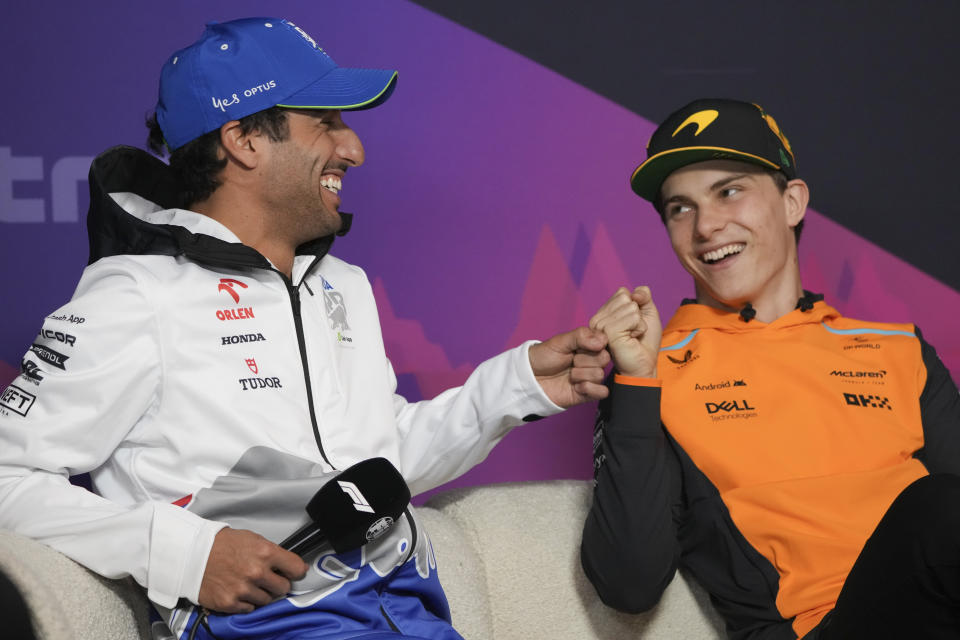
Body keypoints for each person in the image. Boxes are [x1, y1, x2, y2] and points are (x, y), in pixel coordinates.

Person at [0, 18, 610, 640]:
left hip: (407, 616)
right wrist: (182, 553)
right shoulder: (137, 292)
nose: (354, 149)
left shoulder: (342, 285)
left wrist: (516, 386)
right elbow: (7, 477)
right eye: (326, 121)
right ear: (243, 139)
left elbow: (374, 466)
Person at [580, 98, 960, 639]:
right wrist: (637, 384)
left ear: (792, 202)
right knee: (939, 509)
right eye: (679, 208)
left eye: (729, 191)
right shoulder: (652, 371)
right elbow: (628, 584)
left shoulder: (898, 350)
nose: (706, 226)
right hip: (820, 627)